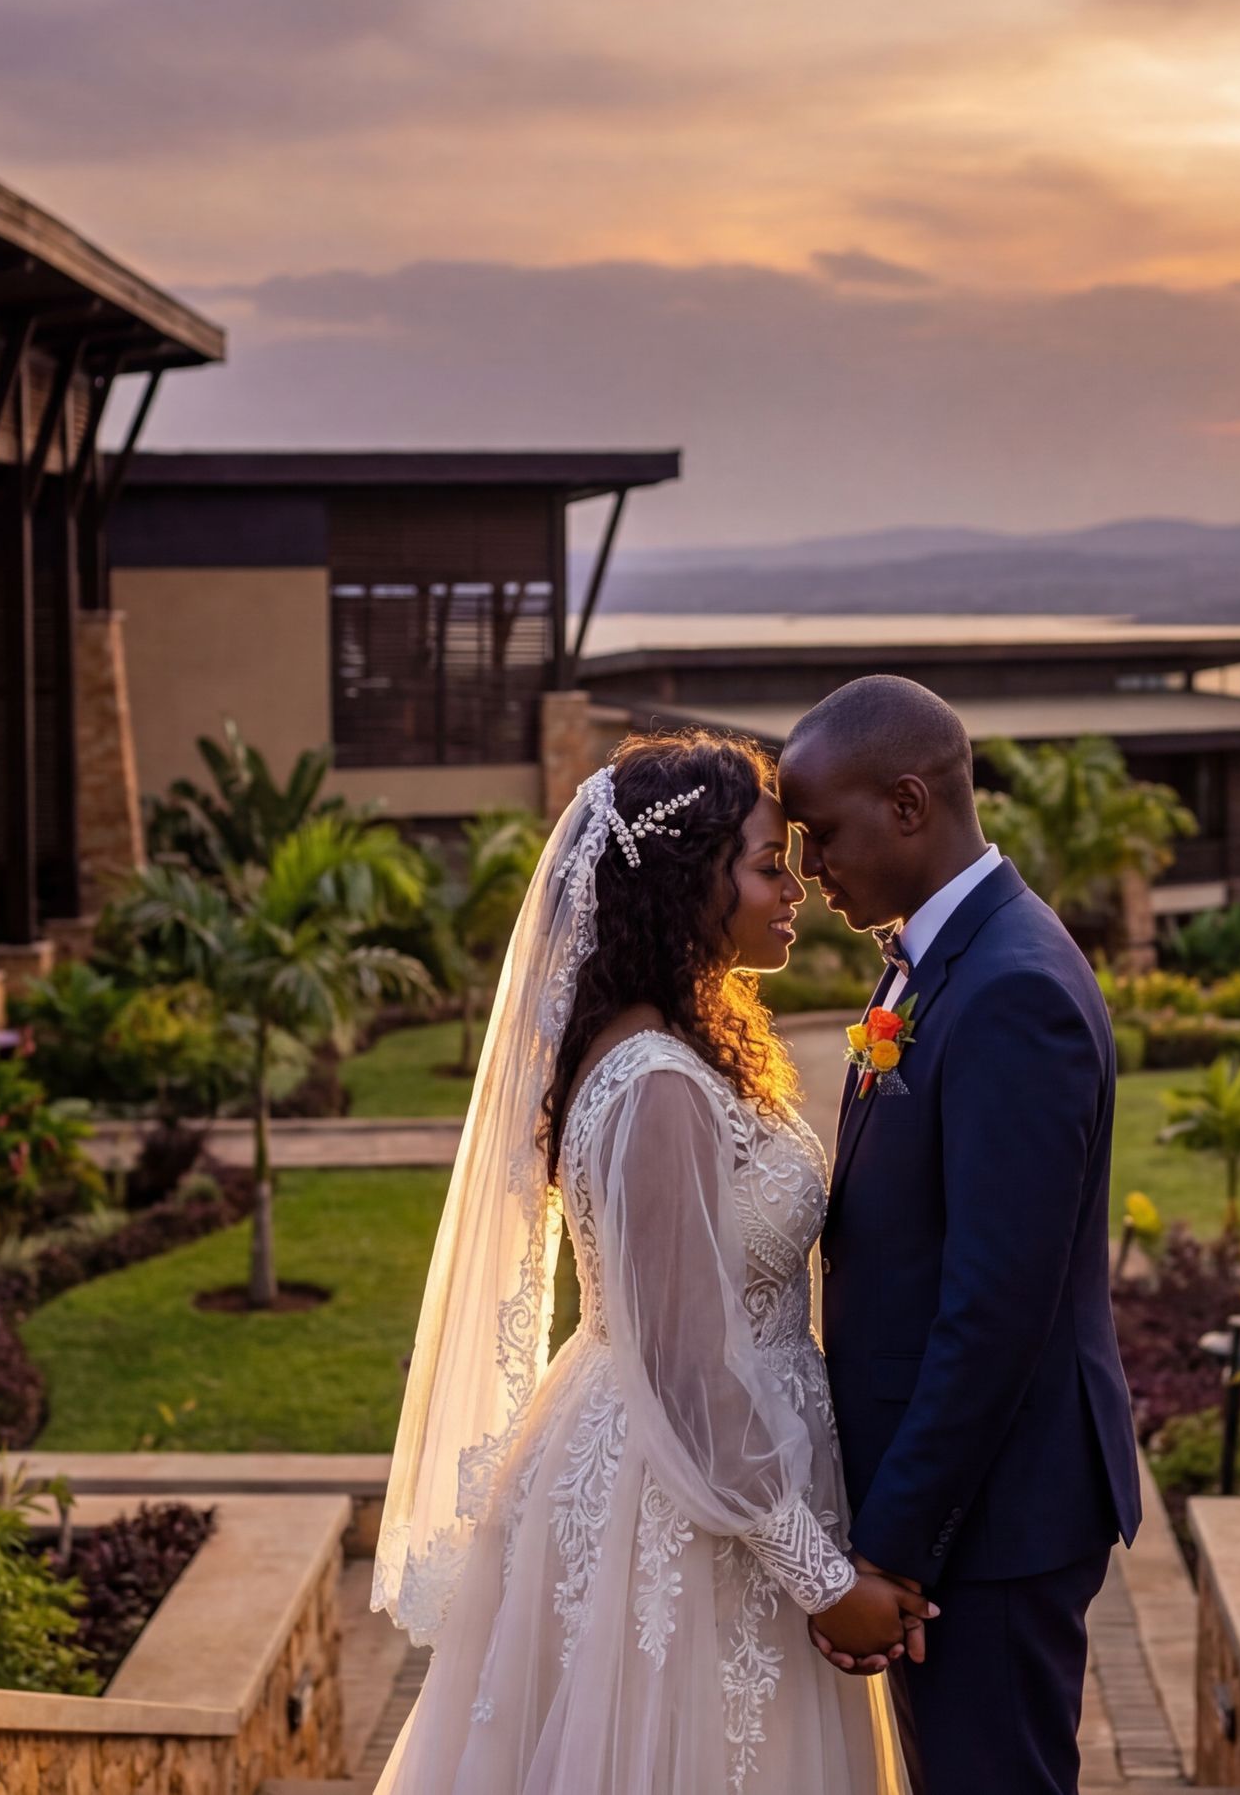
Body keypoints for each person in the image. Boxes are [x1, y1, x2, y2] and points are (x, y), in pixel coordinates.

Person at [373, 730, 919, 1794]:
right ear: (685, 883)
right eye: (768, 865)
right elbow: (688, 1371)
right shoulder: (656, 1082)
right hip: (683, 1510)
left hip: (715, 1479)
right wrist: (823, 1581)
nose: (794, 888)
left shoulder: (664, 1044)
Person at [781, 676, 1142, 1795]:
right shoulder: (939, 961)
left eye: (820, 833)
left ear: (905, 804)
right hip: (964, 1509)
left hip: (991, 1519)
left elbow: (995, 1309)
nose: (808, 868)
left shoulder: (1010, 991)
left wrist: (892, 1547)